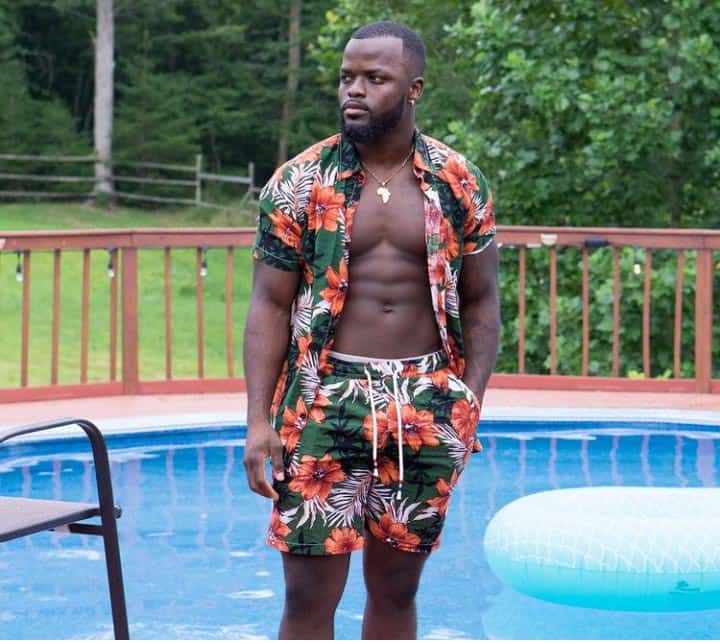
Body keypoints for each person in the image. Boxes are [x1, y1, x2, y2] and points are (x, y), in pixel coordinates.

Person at [243, 20, 499, 640]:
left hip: (426, 401)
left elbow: (483, 300)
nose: (354, 90)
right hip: (323, 398)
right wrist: (257, 420)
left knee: (396, 591)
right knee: (307, 597)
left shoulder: (458, 181)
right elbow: (269, 305)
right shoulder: (300, 181)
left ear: (414, 89)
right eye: (347, 77)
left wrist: (468, 402)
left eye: (374, 78)